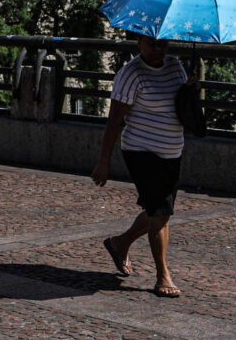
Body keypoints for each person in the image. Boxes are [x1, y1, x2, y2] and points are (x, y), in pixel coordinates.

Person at [91, 34, 196, 298]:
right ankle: (163, 275)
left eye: (163, 44)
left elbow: (181, 103)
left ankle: (119, 243)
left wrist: (190, 89)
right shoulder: (131, 73)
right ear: (139, 42)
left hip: (172, 151)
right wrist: (104, 162)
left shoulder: (175, 65)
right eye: (152, 44)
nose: (159, 49)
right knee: (160, 212)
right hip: (141, 151)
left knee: (158, 211)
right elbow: (114, 120)